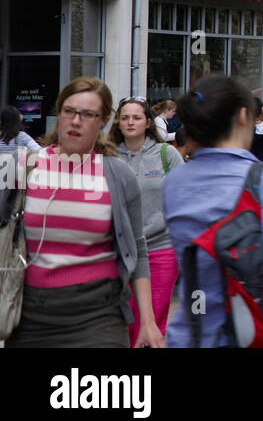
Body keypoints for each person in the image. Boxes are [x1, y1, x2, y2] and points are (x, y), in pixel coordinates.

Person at [7, 78, 163, 348]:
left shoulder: (117, 173)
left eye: (88, 114)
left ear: (102, 121)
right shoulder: (25, 166)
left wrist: (147, 322)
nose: (76, 121)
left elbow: (137, 247)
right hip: (31, 313)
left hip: (99, 314)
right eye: (69, 111)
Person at [163, 73, 263, 346]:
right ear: (242, 116)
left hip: (190, 330)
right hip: (243, 330)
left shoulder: (175, 181)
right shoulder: (262, 177)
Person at [110, 96, 184, 346]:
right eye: (125, 117)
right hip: (118, 251)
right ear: (118, 122)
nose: (130, 122)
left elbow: (183, 197)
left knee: (151, 320)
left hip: (160, 248)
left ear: (148, 122)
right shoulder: (107, 157)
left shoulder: (167, 154)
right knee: (124, 321)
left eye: (137, 117)